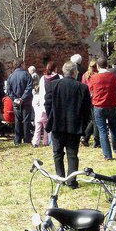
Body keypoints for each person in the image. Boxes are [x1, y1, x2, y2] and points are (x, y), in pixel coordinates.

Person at [45, 61, 90, 189]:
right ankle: (71, 181)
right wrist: (83, 123)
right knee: (72, 154)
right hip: (74, 125)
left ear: (63, 72)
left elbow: (47, 104)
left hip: (57, 124)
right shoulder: (82, 87)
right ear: (75, 72)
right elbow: (87, 109)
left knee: (58, 153)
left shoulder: (53, 85)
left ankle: (60, 179)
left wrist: (51, 116)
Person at [88, 57, 116, 160]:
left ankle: (107, 155)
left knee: (102, 131)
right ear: (107, 65)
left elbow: (91, 90)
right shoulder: (113, 76)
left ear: (97, 66)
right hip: (111, 104)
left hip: (98, 105)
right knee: (114, 128)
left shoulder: (94, 78)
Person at [7, 59, 34, 146]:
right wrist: (22, 98)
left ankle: (17, 140)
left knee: (17, 120)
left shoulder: (11, 76)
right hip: (26, 101)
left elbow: (9, 90)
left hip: (16, 102)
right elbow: (29, 87)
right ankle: (26, 139)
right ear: (22, 64)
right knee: (26, 120)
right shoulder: (27, 74)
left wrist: (15, 99)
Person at [81, 59, 100, 147]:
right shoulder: (97, 75)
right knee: (95, 120)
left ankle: (85, 137)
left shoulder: (85, 75)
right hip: (96, 98)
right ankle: (95, 141)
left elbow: (83, 87)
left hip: (87, 99)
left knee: (93, 119)